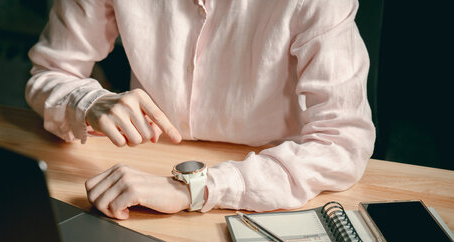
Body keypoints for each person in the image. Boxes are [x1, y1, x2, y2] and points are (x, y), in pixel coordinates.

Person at [25, 0, 375, 220]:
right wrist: (88, 102)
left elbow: (343, 142)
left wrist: (192, 189)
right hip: (138, 167)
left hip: (270, 190)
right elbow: (53, 72)